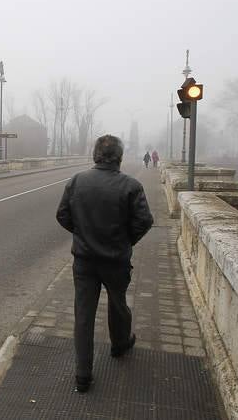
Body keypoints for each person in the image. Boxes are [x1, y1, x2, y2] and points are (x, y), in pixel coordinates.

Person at [56, 135, 153, 393]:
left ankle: (82, 375)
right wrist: (125, 241)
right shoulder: (131, 186)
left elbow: (62, 215)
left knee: (84, 315)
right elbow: (144, 221)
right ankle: (120, 344)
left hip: (84, 260)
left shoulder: (77, 181)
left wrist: (82, 233)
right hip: (116, 260)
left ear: (95, 156)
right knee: (118, 303)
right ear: (119, 158)